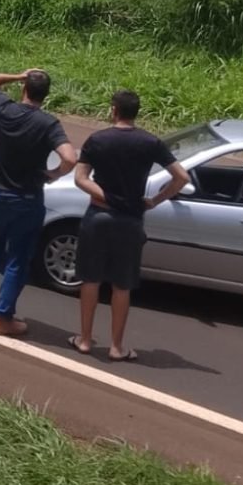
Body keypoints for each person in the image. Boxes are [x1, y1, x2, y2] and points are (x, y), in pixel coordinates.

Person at [71, 90, 189, 362]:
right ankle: (117, 347)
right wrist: (155, 201)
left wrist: (104, 195)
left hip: (98, 216)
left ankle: (85, 340)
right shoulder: (150, 142)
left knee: (90, 279)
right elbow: (181, 177)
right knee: (122, 285)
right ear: (137, 112)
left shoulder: (97, 139)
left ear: (114, 110)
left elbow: (80, 178)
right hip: (131, 220)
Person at [0, 69, 77, 337]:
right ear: (46, 95)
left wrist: (18, 75)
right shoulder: (48, 124)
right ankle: (3, 318)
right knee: (18, 258)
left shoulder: (4, 108)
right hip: (27, 198)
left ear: (24, 90)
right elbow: (69, 158)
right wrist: (54, 175)